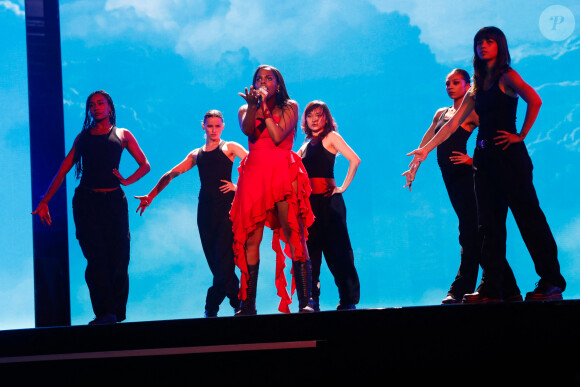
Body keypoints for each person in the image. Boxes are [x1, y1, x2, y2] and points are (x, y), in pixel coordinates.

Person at [407, 27, 566, 302]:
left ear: (499, 46)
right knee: (488, 225)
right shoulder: (477, 85)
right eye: (479, 42)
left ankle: (551, 281)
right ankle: (492, 287)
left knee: (528, 218)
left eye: (489, 41)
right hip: (484, 161)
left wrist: (521, 135)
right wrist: (424, 151)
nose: (483, 46)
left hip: (510, 159)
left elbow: (534, 100)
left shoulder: (507, 76)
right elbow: (452, 124)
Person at [403, 69, 521, 304]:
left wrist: (471, 160)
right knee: (476, 232)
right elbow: (427, 142)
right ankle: (509, 289)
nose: (450, 86)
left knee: (470, 231)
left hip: (468, 176)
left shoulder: (473, 111)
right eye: (447, 83)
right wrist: (414, 166)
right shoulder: (442, 113)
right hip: (451, 178)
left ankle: (460, 289)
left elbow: (491, 135)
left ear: (468, 85)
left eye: (455, 82)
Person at [32, 90, 151, 324]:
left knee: (119, 259)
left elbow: (145, 165)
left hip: (115, 203)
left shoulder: (122, 134)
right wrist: (45, 200)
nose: (95, 107)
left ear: (109, 107)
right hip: (87, 203)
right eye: (91, 105)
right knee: (96, 259)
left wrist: (126, 180)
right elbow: (65, 168)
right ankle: (104, 313)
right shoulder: (83, 138)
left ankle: (116, 313)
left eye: (100, 103)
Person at [134, 110, 247, 318]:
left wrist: (237, 187)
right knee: (216, 264)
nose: (213, 129)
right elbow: (171, 174)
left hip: (227, 212)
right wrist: (150, 196)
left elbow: (254, 165)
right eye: (210, 125)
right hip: (204, 213)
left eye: (217, 125)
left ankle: (212, 305)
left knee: (224, 260)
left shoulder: (230, 147)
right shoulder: (196, 154)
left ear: (223, 126)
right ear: (203, 126)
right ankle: (236, 301)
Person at [231, 65, 315, 315]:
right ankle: (248, 305)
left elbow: (278, 137)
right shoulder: (246, 108)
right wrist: (254, 106)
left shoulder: (290, 106)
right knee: (251, 238)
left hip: (282, 170)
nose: (264, 81)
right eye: (259, 78)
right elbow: (248, 131)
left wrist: (265, 108)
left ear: (278, 84)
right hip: (254, 172)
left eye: (270, 78)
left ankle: (305, 302)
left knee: (293, 233)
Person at [297, 101, 361, 311]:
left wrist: (342, 187)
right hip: (310, 206)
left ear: (326, 118)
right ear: (305, 119)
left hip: (329, 202)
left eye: (319, 115)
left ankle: (347, 299)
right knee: (311, 253)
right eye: (310, 115)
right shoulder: (305, 146)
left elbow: (355, 159)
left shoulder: (331, 137)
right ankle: (312, 300)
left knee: (338, 251)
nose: (314, 119)